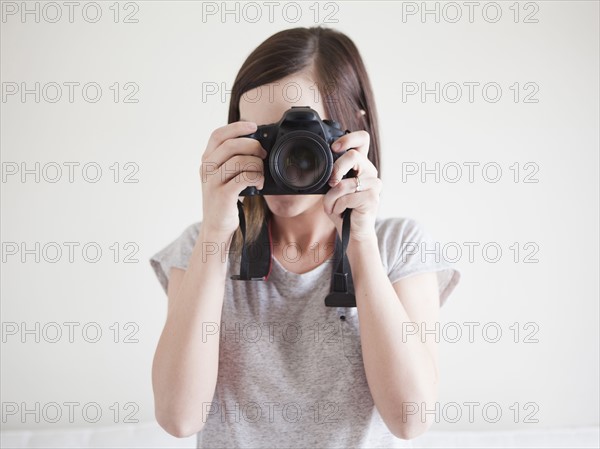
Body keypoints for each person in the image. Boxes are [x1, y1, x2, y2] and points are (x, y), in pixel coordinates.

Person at [150, 26, 460, 448]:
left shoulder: (398, 246)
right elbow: (178, 418)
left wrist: (361, 241)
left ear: (351, 129)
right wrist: (216, 231)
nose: (284, 159)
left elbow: (411, 419)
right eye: (264, 138)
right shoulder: (202, 248)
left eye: (301, 138)